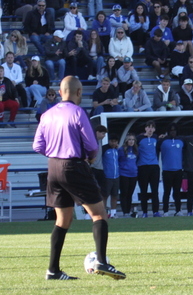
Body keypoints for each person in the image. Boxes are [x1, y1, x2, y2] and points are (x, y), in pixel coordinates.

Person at [32, 76, 125, 280]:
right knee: (99, 214)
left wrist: (55, 152)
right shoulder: (78, 112)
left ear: (59, 93)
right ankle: (102, 261)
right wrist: (89, 158)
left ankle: (53, 270)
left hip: (53, 167)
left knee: (62, 220)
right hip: (74, 165)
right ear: (79, 92)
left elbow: (37, 145)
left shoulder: (47, 114)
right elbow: (91, 145)